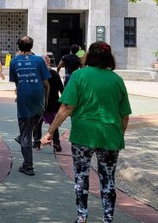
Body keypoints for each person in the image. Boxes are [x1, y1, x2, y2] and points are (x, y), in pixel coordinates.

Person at [42, 41, 132, 223]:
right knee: (108, 178)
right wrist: (119, 135)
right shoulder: (117, 80)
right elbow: (125, 116)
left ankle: (82, 217)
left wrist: (51, 131)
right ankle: (108, 218)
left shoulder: (79, 76)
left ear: (89, 56)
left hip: (83, 135)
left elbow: (67, 106)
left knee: (81, 175)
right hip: (110, 135)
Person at [9, 35, 50, 176]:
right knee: (32, 123)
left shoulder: (14, 62)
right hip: (39, 99)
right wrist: (46, 99)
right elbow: (46, 83)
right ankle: (23, 137)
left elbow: (16, 83)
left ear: (18, 47)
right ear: (31, 46)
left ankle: (28, 165)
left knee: (26, 134)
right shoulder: (39, 60)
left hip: (24, 99)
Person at [32, 54, 64, 151]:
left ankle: (37, 142)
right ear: (49, 62)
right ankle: (57, 142)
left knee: (37, 122)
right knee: (54, 123)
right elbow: (62, 89)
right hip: (53, 103)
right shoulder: (54, 74)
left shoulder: (37, 74)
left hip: (40, 103)